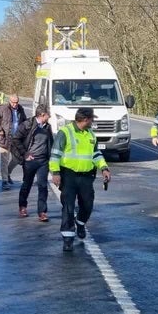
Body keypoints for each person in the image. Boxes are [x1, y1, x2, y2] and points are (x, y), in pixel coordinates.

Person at [49, 107, 111, 252]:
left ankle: (81, 223)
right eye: (92, 119)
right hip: (68, 175)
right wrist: (56, 173)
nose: (93, 121)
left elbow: (96, 154)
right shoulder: (65, 132)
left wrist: (104, 168)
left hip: (86, 176)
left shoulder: (90, 134)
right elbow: (55, 154)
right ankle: (68, 238)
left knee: (87, 204)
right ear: (85, 119)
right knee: (68, 207)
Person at [11, 105, 53, 221]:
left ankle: (42, 212)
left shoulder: (47, 127)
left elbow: (51, 143)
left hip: (43, 161)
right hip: (30, 161)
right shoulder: (27, 125)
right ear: (42, 115)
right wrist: (25, 154)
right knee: (27, 184)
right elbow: (16, 139)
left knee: (43, 186)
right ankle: (22, 207)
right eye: (48, 114)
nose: (50, 116)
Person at [0, 94, 27, 190]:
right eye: (13, 102)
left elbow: (24, 121)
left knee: (18, 159)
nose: (15, 104)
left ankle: (8, 173)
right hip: (4, 139)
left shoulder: (20, 109)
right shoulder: (3, 109)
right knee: (4, 160)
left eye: (17, 102)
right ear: (9, 101)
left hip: (16, 139)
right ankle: (5, 181)